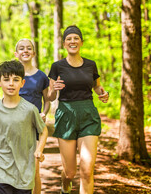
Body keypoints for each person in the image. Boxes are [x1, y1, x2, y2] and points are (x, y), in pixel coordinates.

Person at [47, 25, 109, 194]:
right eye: (69, 39)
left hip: (88, 114)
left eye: (76, 38)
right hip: (66, 115)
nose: (72, 41)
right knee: (70, 172)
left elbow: (97, 87)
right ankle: (65, 185)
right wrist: (55, 90)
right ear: (64, 44)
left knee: (87, 171)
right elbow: (51, 97)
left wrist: (103, 94)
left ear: (81, 42)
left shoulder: (91, 65)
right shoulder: (57, 66)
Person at [0, 60, 49, 194]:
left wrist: (39, 150)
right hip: (0, 166)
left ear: (22, 83)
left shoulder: (30, 110)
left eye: (16, 80)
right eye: (6, 80)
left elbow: (43, 131)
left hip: (25, 168)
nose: (11, 84)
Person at [14, 38, 50, 194]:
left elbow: (47, 100)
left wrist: (44, 113)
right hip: (15, 125)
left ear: (34, 53)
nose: (25, 51)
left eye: (28, 48)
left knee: (34, 168)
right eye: (21, 48)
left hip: (34, 125)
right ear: (16, 54)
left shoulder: (41, 76)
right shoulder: (12, 75)